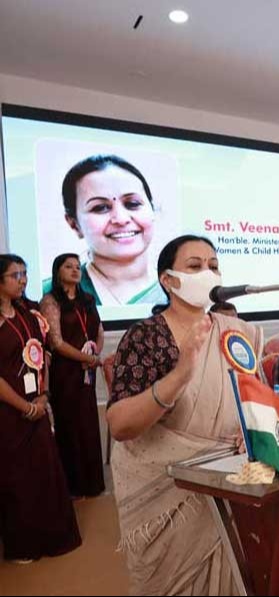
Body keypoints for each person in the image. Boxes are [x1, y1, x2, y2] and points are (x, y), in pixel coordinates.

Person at [106, 234, 263, 596]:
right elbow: (120, 424)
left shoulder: (233, 333)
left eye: (213, 266)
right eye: (195, 266)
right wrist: (179, 375)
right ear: (168, 280)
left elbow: (256, 400)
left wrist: (252, 430)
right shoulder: (146, 337)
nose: (208, 273)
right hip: (170, 496)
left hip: (231, 483)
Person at [0, 254, 81, 563]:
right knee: (17, 478)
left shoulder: (28, 313)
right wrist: (24, 405)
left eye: (24, 273)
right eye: (15, 275)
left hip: (37, 405)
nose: (23, 280)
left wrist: (44, 396)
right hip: (10, 411)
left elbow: (41, 357)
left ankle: (54, 538)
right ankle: (24, 546)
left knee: (45, 472)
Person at [45, 154, 165, 306]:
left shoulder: (179, 290)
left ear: (153, 210)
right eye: (100, 207)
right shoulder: (49, 293)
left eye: (132, 204)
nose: (121, 219)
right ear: (74, 224)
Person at [40, 254, 105, 498]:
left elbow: (99, 330)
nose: (75, 270)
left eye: (78, 266)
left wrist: (95, 354)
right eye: (68, 267)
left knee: (88, 425)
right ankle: (73, 486)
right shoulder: (50, 301)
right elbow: (56, 342)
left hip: (87, 371)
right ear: (58, 272)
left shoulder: (88, 299)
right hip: (65, 372)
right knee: (70, 426)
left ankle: (93, 484)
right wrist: (86, 358)